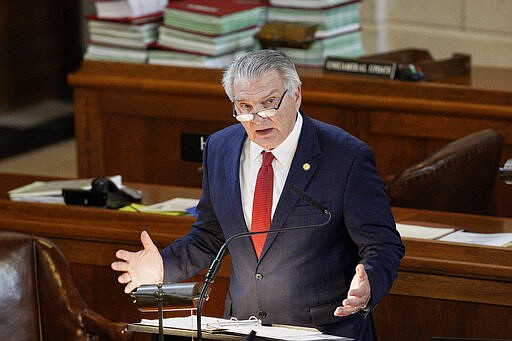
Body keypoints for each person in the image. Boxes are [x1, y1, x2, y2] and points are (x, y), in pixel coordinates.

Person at [111, 49, 404, 341]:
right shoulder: (220, 148)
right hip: (242, 329)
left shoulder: (346, 156)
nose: (258, 118)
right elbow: (211, 235)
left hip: (324, 330)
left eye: (269, 103)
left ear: (296, 95)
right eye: (245, 107)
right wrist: (163, 266)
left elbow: (383, 244)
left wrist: (368, 288)